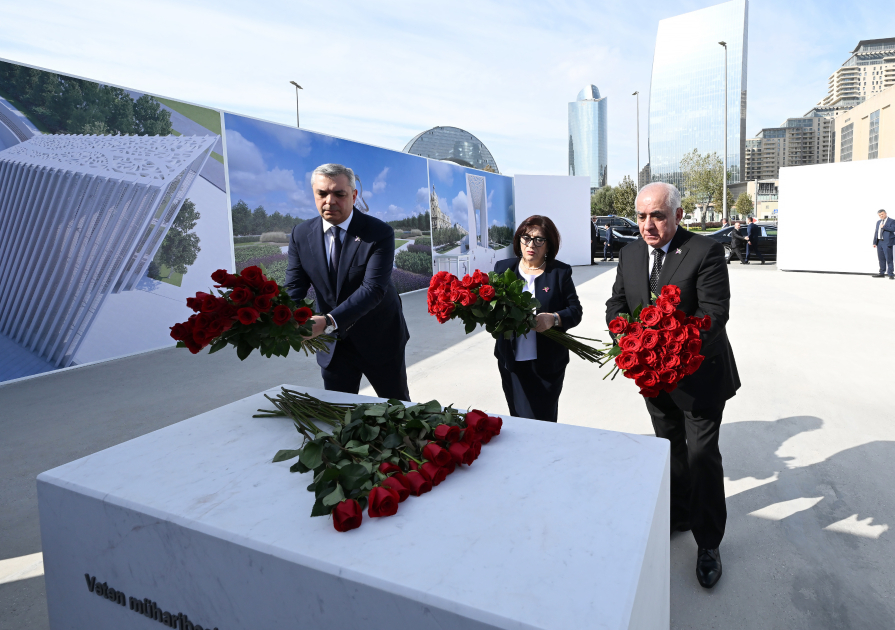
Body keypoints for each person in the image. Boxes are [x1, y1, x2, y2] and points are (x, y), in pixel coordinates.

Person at [605, 182, 740, 589]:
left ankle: (709, 542)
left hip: (699, 378)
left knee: (701, 457)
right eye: (642, 216)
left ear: (678, 215)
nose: (648, 224)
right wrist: (625, 338)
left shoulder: (705, 251)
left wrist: (670, 351)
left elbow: (714, 316)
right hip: (652, 380)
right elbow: (617, 304)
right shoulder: (629, 253)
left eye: (658, 215)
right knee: (669, 450)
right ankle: (679, 515)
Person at [285, 163, 410, 400]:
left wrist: (328, 321)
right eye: (322, 193)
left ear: (353, 195)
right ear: (314, 194)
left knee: (397, 408)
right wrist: (280, 317)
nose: (329, 201)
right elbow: (294, 286)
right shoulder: (300, 234)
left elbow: (373, 289)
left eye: (339, 194)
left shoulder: (378, 233)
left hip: (379, 339)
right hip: (333, 345)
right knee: (339, 413)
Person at [494, 215, 582, 423]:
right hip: (512, 362)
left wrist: (554, 319)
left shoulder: (559, 272)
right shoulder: (503, 269)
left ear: (549, 245)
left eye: (539, 239)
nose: (531, 244)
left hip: (547, 364)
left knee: (543, 419)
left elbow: (575, 311)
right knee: (518, 418)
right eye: (526, 238)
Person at [872, 209, 895, 279]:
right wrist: (874, 242)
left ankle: (891, 274)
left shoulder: (892, 221)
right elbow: (876, 232)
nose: (881, 216)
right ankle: (882, 273)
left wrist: (884, 227)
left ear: (885, 213)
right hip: (879, 242)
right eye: (879, 215)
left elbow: (893, 229)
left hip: (887, 242)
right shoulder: (878, 222)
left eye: (882, 214)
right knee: (881, 258)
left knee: (889, 258)